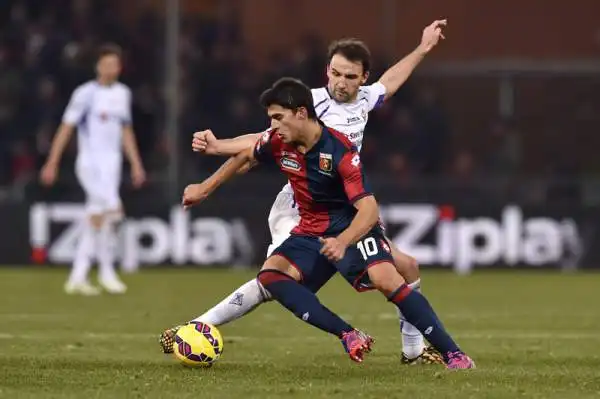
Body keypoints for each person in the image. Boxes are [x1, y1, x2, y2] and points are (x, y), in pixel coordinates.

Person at [162, 21, 447, 364]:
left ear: (362, 78)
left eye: (350, 77)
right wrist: (217, 149)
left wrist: (423, 48)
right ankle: (195, 328)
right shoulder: (308, 104)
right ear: (327, 70)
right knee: (274, 280)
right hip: (301, 205)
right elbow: (262, 141)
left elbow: (391, 82)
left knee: (407, 266)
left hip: (343, 209)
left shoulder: (364, 99)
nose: (341, 83)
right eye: (336, 74)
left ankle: (413, 354)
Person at [40, 43, 146, 295]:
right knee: (113, 211)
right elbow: (66, 128)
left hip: (112, 165)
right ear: (98, 66)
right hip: (89, 164)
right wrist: (52, 161)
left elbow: (125, 131)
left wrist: (136, 163)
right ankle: (107, 272)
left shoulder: (123, 94)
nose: (110, 69)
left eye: (115, 64)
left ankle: (78, 276)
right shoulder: (85, 94)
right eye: (106, 64)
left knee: (96, 216)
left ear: (120, 67)